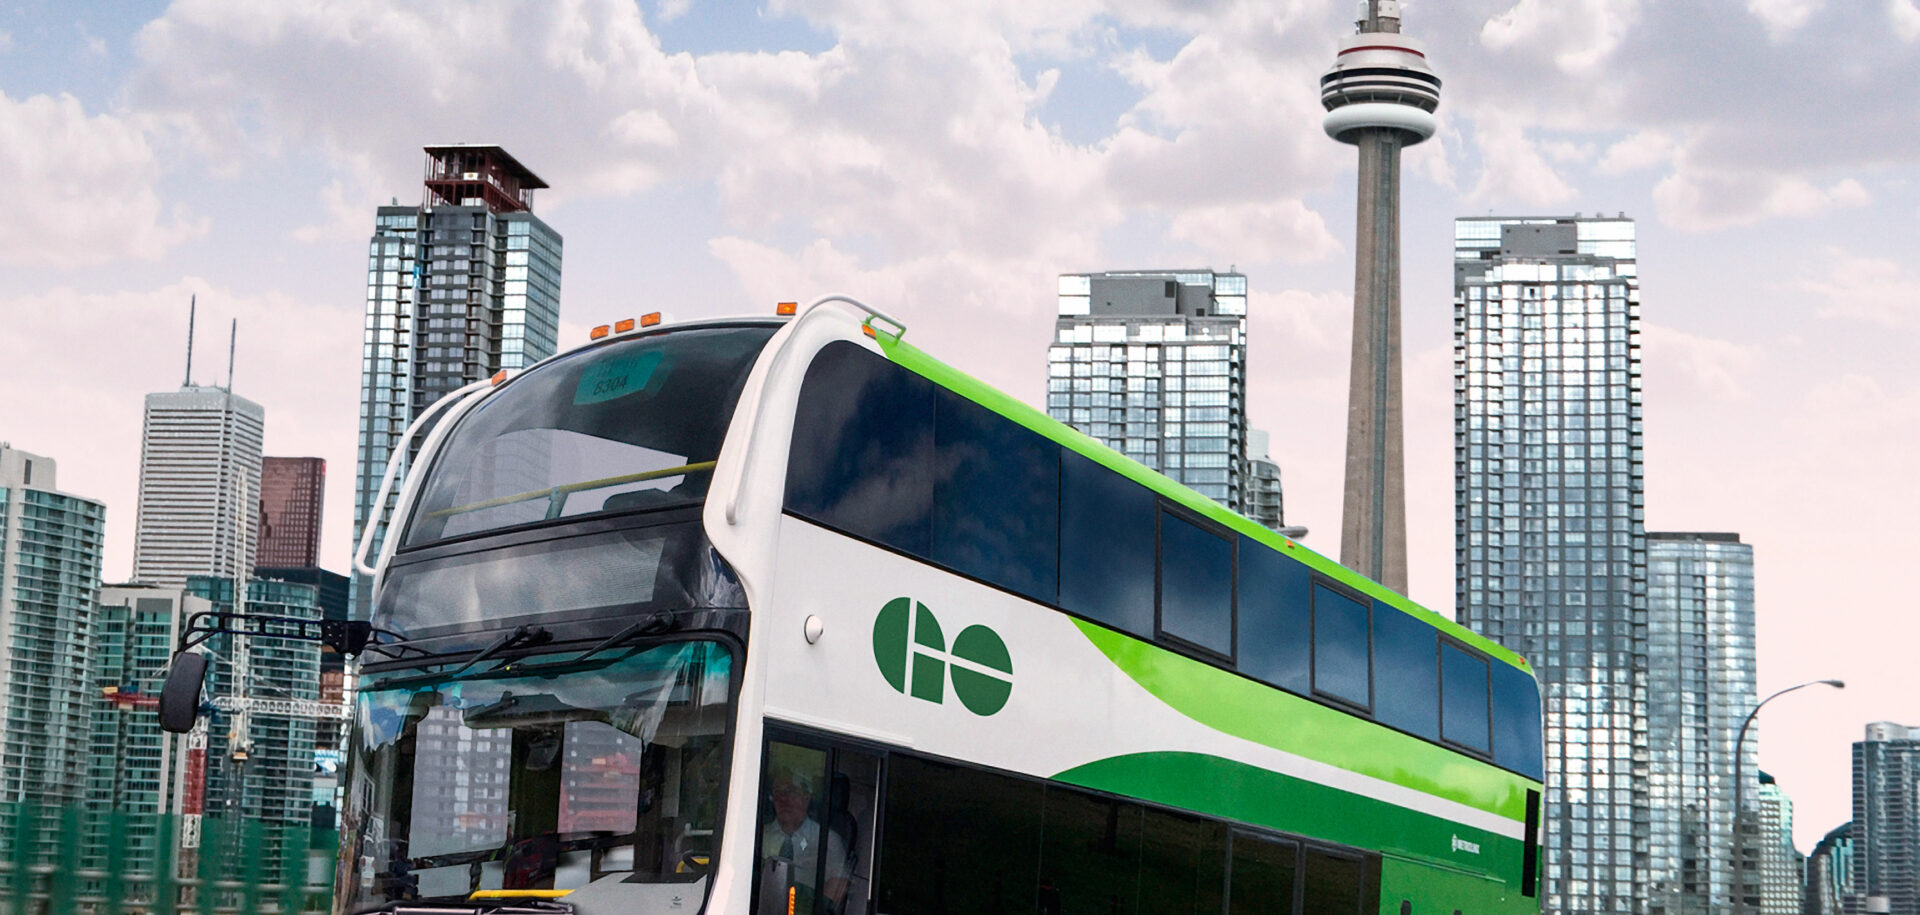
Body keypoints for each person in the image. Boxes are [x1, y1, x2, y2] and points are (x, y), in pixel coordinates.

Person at [762, 763, 849, 910]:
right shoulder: (760, 837)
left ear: (806, 796)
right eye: (778, 792)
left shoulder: (827, 840)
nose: (783, 799)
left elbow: (839, 883)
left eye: (790, 791)